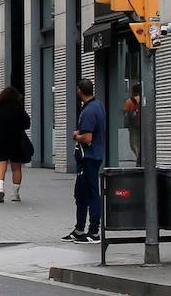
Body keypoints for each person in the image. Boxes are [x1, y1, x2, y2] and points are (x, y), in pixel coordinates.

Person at [65, 77, 106, 243]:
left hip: (89, 157)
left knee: (90, 193)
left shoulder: (89, 111)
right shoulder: (98, 106)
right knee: (81, 193)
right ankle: (79, 229)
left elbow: (87, 138)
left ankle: (94, 231)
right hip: (91, 157)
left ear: (79, 91)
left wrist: (76, 135)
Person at [0, 85, 31, 203]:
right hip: (15, 140)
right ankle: (15, 194)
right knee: (16, 168)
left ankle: (0, 189)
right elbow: (27, 124)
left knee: (1, 166)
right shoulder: (18, 108)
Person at [124, 83, 142, 164]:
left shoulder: (129, 101)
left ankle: (139, 158)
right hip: (142, 124)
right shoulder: (144, 99)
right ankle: (141, 157)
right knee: (140, 142)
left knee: (132, 144)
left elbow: (124, 113)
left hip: (133, 125)